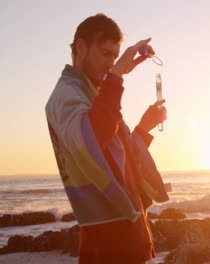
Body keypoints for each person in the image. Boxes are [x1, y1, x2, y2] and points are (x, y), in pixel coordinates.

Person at [45, 13, 168, 264]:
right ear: (80, 47)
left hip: (128, 240)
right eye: (105, 54)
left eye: (115, 56)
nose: (111, 63)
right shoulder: (65, 95)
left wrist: (143, 129)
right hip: (107, 246)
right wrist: (116, 77)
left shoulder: (93, 94)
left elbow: (118, 160)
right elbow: (91, 139)